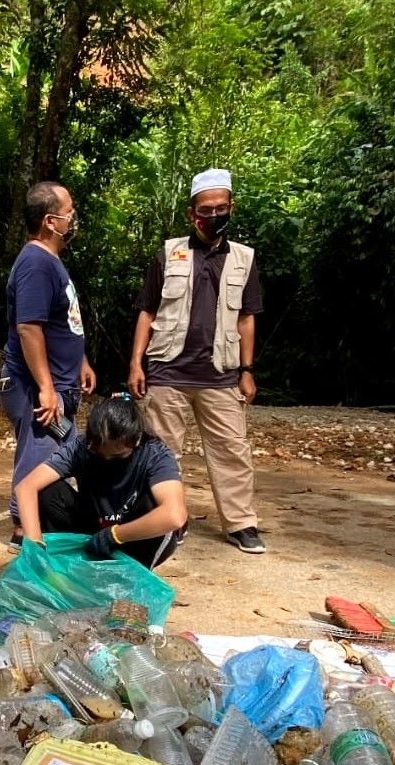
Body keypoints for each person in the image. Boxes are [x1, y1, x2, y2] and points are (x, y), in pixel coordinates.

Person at [127, 167, 265, 554]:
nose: (215, 215)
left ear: (231, 207)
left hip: (221, 375)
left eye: (222, 207)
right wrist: (137, 363)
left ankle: (242, 524)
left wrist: (247, 370)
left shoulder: (243, 259)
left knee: (232, 451)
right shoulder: (169, 254)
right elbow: (146, 312)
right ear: (193, 214)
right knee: (160, 453)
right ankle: (169, 520)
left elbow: (246, 317)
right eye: (207, 209)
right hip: (167, 371)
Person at [0, 180, 96, 549]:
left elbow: (62, 322)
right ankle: (24, 533)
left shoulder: (50, 261)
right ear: (49, 222)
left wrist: (81, 361)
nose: (73, 218)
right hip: (36, 387)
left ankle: (32, 525)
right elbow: (29, 328)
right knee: (41, 459)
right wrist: (46, 387)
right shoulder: (37, 263)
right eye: (68, 212)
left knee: (57, 455)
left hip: (57, 381)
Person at [14, 395, 187, 568]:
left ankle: (132, 569)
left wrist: (116, 535)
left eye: (118, 456)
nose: (108, 460)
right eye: (99, 454)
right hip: (95, 529)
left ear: (137, 439)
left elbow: (174, 516)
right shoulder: (80, 447)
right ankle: (72, 562)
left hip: (134, 535)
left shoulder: (155, 453)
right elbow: (26, 487)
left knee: (156, 506)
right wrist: (35, 544)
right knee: (50, 492)